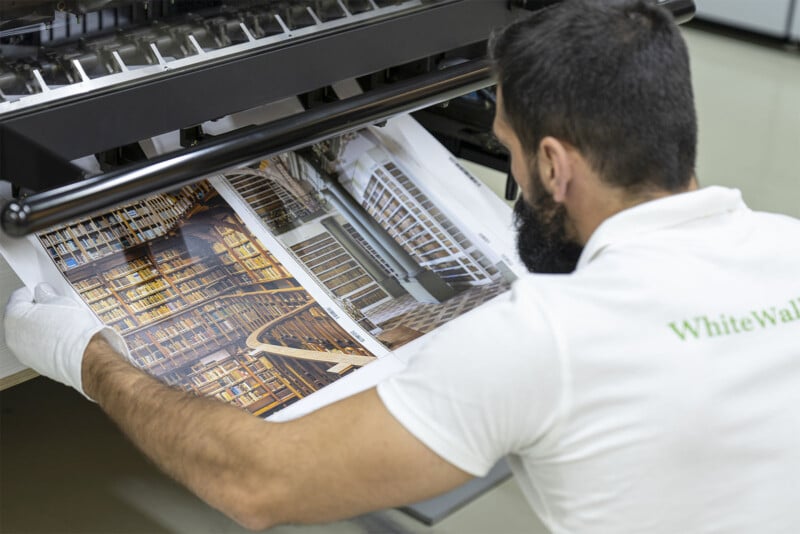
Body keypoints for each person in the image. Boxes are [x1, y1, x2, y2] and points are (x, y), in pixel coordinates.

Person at [5, 0, 800, 532]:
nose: (512, 175)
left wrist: (84, 352)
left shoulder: (542, 342)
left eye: (512, 152)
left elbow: (257, 483)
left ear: (556, 166)